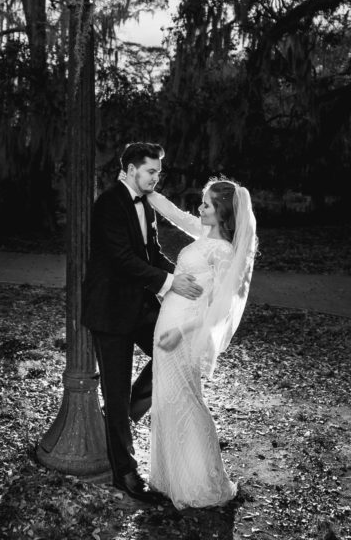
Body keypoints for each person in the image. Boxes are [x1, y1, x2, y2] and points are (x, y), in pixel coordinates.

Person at [81, 142, 204, 505]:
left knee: (178, 351)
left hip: (140, 306)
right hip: (110, 310)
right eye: (151, 171)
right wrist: (168, 284)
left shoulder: (146, 204)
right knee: (114, 390)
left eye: (158, 172)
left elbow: (151, 253)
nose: (156, 177)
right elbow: (120, 259)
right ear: (132, 169)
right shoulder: (109, 204)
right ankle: (125, 472)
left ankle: (127, 411)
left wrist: (183, 277)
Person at [147, 178, 258, 509]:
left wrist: (182, 330)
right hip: (167, 324)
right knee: (167, 401)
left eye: (207, 204)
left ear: (221, 212)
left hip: (184, 333)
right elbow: (177, 215)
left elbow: (219, 308)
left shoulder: (223, 250)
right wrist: (147, 190)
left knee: (187, 402)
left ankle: (203, 482)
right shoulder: (203, 233)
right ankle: (171, 477)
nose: (200, 207)